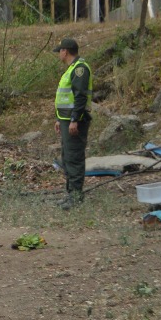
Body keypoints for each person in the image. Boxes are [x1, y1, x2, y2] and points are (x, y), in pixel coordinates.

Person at [54, 37, 92, 209]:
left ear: (65, 51)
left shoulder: (79, 69)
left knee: (74, 157)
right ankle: (70, 193)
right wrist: (59, 119)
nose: (59, 54)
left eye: (60, 51)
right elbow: (65, 98)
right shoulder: (71, 69)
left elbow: (80, 97)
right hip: (65, 120)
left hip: (75, 121)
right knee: (67, 157)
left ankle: (76, 197)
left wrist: (74, 120)